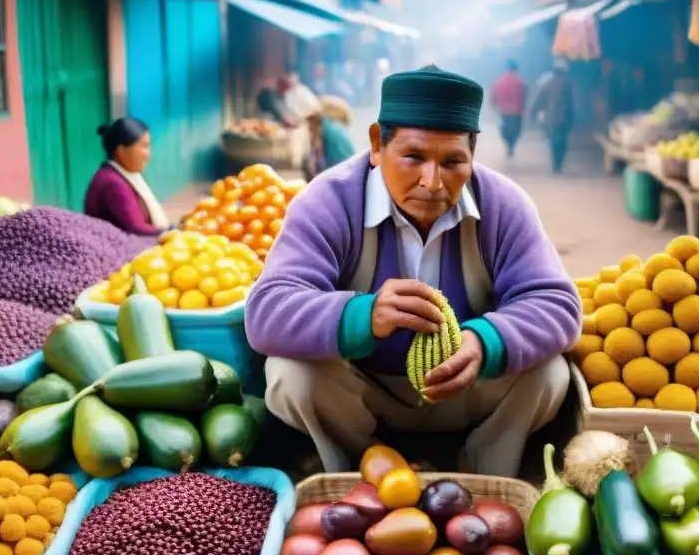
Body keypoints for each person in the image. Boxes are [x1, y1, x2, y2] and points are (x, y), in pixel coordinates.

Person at [245, 65, 580, 477]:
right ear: (375, 144)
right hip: (364, 392)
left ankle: (482, 469)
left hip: (468, 391)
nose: (433, 181)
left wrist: (484, 341)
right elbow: (265, 312)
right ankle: (363, 468)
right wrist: (364, 316)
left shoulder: (503, 204)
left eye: (454, 161)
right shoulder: (328, 200)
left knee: (550, 374)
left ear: (473, 156)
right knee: (289, 375)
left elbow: (559, 305)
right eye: (414, 157)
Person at [84, 118, 170, 236]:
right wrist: (170, 232)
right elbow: (137, 229)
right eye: (144, 146)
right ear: (121, 151)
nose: (148, 155)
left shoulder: (122, 175)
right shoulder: (113, 183)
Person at [529, 59, 575, 174]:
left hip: (551, 119)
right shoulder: (567, 84)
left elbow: (539, 99)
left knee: (553, 142)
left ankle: (555, 165)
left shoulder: (547, 83)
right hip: (564, 119)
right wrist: (572, 118)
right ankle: (559, 164)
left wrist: (533, 112)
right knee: (562, 143)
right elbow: (571, 103)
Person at [304, 111, 357, 182]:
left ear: (314, 122)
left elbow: (331, 160)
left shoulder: (327, 133)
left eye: (309, 124)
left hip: (342, 168)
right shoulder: (329, 127)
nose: (308, 128)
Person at [490, 60, 527, 159]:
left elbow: (494, 94)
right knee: (516, 130)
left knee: (505, 130)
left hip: (504, 111)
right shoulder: (520, 81)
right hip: (517, 111)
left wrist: (493, 105)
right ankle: (511, 145)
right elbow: (524, 95)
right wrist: (524, 107)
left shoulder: (500, 81)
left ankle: (508, 145)